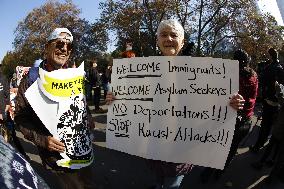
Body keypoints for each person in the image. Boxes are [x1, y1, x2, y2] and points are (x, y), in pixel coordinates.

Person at [106, 19, 245, 189]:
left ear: (182, 41)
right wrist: (115, 98)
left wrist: (232, 104)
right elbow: (132, 100)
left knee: (173, 183)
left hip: (182, 147)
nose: (168, 38)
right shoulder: (145, 70)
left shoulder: (202, 72)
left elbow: (215, 103)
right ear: (157, 41)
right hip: (154, 143)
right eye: (164, 35)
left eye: (174, 35)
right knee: (158, 176)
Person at [14, 28, 95, 189]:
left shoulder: (74, 75)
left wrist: (89, 117)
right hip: (57, 159)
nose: (64, 49)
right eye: (59, 44)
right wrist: (43, 140)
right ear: (47, 48)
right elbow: (20, 118)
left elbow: (81, 104)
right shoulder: (31, 80)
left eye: (69, 46)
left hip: (83, 152)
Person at [200, 49, 258, 186]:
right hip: (246, 120)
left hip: (230, 120)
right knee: (231, 149)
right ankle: (220, 171)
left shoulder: (232, 76)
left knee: (217, 146)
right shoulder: (254, 76)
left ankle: (208, 172)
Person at [250, 48, 284, 153]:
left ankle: (257, 146)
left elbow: (261, 80)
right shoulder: (280, 68)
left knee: (265, 124)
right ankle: (260, 144)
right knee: (268, 125)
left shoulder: (270, 68)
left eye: (267, 55)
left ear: (270, 55)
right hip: (277, 101)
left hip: (269, 100)